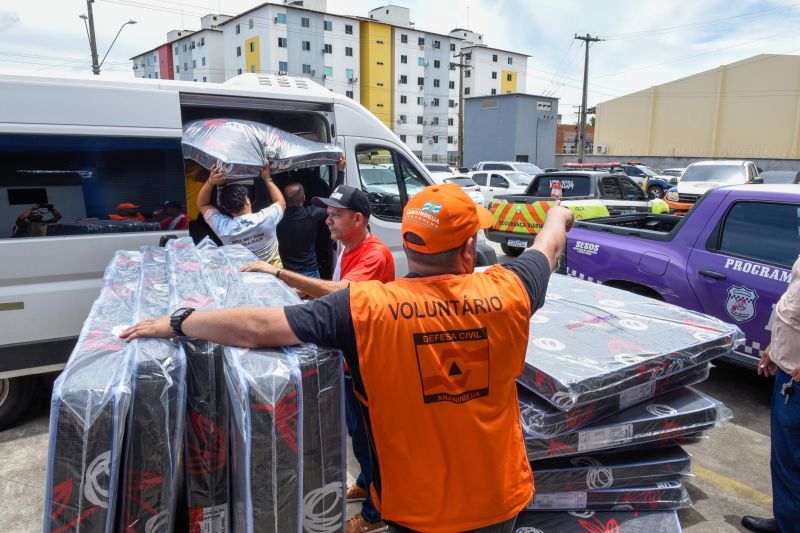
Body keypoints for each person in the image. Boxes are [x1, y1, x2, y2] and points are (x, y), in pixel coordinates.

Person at [121, 184, 574, 533]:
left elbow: (257, 327)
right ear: (469, 249)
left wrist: (178, 321)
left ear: (411, 247)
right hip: (498, 499)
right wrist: (559, 213)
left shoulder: (364, 307)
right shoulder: (510, 289)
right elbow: (547, 246)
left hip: (415, 509)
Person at [243, 182, 394, 532]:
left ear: (358, 218)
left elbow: (343, 292)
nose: (328, 221)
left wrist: (277, 272)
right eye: (327, 215)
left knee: (373, 442)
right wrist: (304, 293)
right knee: (358, 435)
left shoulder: (375, 254)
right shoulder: (346, 248)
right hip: (347, 361)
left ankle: (376, 513)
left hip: (367, 364)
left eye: (336, 216)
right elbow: (335, 292)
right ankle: (368, 484)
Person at [742, 255, 800, 533]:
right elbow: (792, 305)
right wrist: (774, 346)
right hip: (789, 369)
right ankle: (789, 521)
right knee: (786, 458)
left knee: (793, 459)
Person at [197, 162, 286, 266]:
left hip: (244, 278)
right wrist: (267, 179)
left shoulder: (223, 228)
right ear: (247, 201)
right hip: (273, 277)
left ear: (226, 208)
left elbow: (202, 204)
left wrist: (210, 182)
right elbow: (281, 202)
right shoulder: (267, 218)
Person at [275, 155, 346, 278]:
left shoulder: (277, 216)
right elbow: (334, 201)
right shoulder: (311, 214)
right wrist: (340, 172)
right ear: (304, 198)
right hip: (309, 273)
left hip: (287, 274)